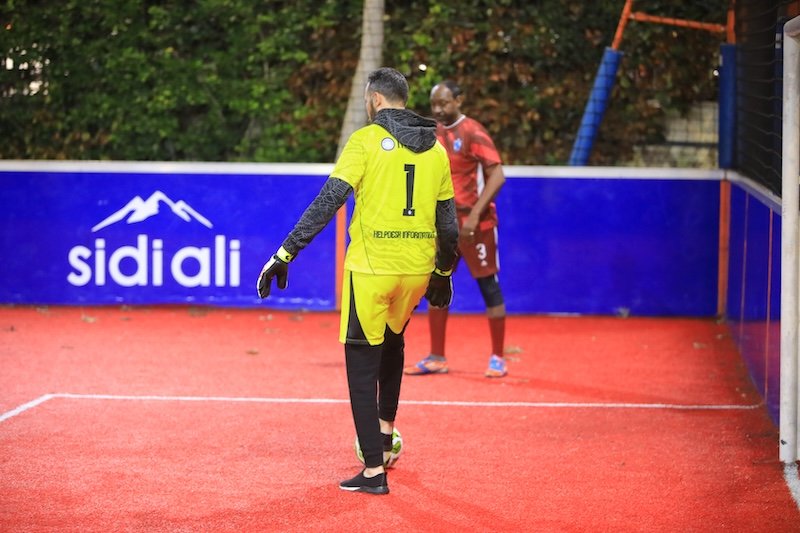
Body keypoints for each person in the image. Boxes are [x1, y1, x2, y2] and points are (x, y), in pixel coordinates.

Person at [256, 67, 458, 495]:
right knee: (394, 345)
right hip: (416, 271)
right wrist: (443, 273)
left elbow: (329, 200)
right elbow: (449, 225)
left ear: (375, 100)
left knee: (361, 366)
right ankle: (383, 439)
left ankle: (372, 472)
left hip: (372, 269)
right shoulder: (436, 149)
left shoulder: (366, 140)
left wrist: (286, 252)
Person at [404, 80, 508, 378]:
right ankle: (437, 357)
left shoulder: (473, 131)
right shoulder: (431, 133)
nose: (438, 109)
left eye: (444, 103)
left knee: (488, 285)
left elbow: (497, 175)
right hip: (442, 226)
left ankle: (498, 357)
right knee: (438, 285)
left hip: (476, 225)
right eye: (434, 104)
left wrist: (474, 217)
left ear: (459, 101)